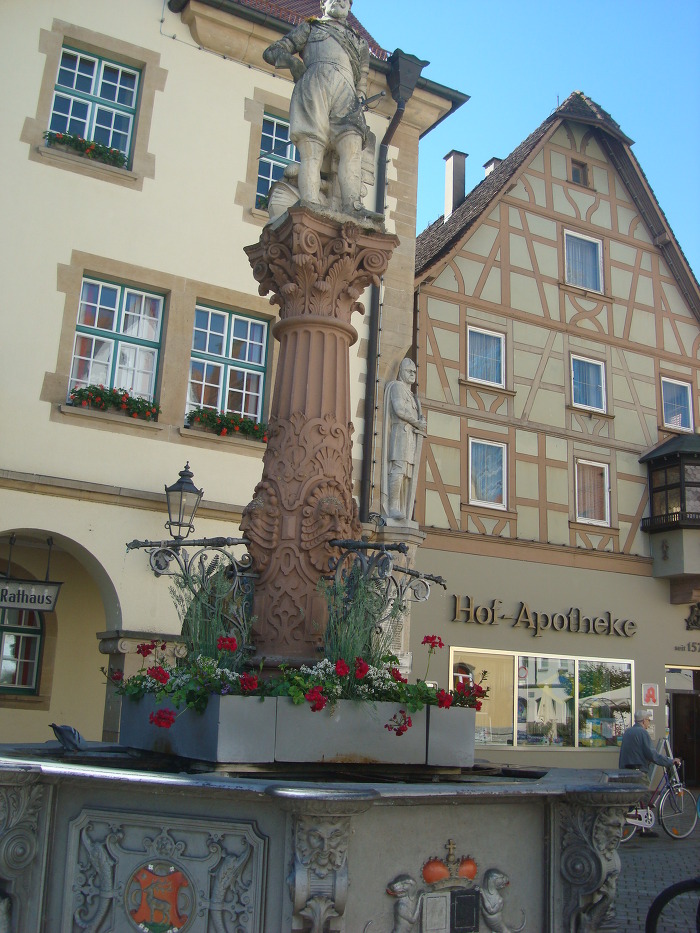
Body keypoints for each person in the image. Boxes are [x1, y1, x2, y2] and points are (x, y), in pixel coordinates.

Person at [263, 0, 370, 213]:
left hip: (347, 92)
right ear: (323, 4)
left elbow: (363, 79)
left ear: (350, 6)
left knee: (352, 148)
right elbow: (272, 51)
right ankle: (310, 203)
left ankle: (353, 206)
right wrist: (292, 62)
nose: (339, 1)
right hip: (315, 85)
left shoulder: (359, 42)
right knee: (312, 150)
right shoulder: (310, 27)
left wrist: (360, 98)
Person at [381, 358, 427, 522]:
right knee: (398, 468)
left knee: (407, 473)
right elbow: (399, 409)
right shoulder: (398, 387)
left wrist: (419, 423)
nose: (413, 374)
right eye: (409, 371)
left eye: (414, 371)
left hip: (410, 436)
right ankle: (393, 506)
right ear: (401, 371)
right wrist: (417, 423)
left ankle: (401, 508)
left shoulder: (412, 395)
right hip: (400, 433)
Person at [618, 710, 681, 783]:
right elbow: (652, 755)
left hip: (625, 773)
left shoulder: (627, 732)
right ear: (644, 721)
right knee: (644, 789)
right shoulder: (643, 733)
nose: (649, 722)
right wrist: (670, 761)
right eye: (648, 720)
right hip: (638, 775)